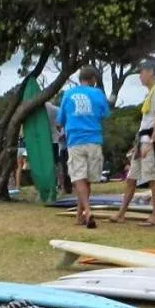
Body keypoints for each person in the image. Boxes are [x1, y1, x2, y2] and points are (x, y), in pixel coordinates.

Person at [50, 66, 109, 228]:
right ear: (94, 79)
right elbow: (104, 114)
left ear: (80, 78)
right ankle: (79, 215)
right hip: (94, 139)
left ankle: (87, 211)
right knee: (86, 180)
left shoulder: (68, 94)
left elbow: (60, 121)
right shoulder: (98, 94)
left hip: (75, 140)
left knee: (79, 178)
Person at [112, 60, 155, 228]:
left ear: (151, 71)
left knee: (152, 177)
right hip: (143, 137)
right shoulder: (151, 92)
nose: (140, 76)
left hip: (149, 138)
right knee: (131, 177)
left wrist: (152, 141)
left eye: (142, 72)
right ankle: (121, 213)